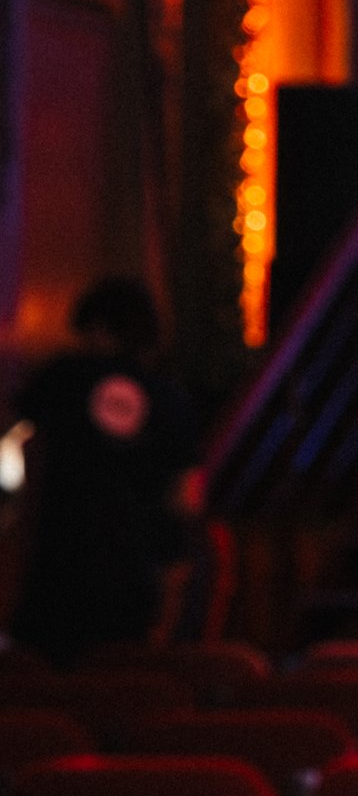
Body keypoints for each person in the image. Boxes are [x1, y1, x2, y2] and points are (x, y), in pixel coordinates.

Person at [7, 279, 200, 666]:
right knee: (123, 687)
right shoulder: (169, 397)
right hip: (136, 574)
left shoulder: (61, 376)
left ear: (94, 327)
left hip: (58, 567)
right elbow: (186, 497)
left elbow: (19, 438)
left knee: (46, 692)